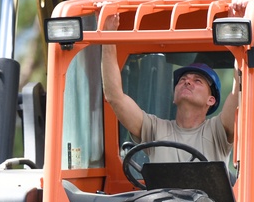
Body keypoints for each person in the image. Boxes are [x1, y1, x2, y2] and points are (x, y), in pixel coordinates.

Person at [100, 13, 241, 163]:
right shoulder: (155, 129)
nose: (187, 82)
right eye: (183, 80)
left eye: (198, 81)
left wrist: (237, 31)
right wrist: (107, 35)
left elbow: (238, 92)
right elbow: (115, 97)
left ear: (211, 100)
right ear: (174, 97)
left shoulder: (217, 131)